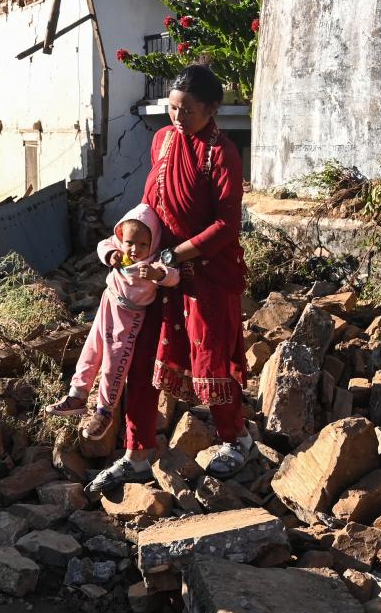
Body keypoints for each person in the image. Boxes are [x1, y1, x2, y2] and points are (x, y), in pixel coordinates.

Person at [86, 65, 252, 494]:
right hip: (157, 274)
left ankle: (236, 439)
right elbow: (149, 204)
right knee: (140, 357)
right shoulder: (162, 142)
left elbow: (226, 225)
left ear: (212, 109)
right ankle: (136, 453)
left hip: (205, 273)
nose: (177, 118)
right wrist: (126, 245)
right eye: (172, 108)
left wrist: (174, 255)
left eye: (188, 111)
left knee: (211, 359)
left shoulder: (221, 154)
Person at [44, 203, 178, 439]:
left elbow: (173, 277)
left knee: (115, 362)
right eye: (129, 243)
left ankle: (105, 411)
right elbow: (103, 245)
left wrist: (159, 275)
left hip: (129, 315)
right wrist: (111, 255)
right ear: (122, 239)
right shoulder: (121, 252)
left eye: (143, 244)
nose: (135, 250)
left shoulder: (154, 262)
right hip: (108, 303)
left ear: (153, 242)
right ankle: (77, 393)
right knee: (91, 349)